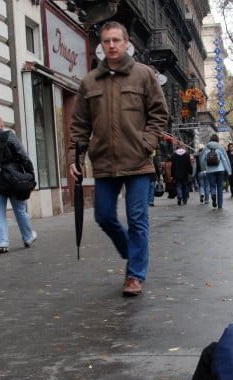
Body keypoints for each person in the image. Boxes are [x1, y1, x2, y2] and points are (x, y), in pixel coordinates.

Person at [67, 21, 169, 298]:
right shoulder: (89, 82)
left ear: (127, 44)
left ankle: (135, 275)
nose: (111, 45)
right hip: (104, 163)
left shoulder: (144, 75)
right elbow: (79, 125)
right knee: (104, 216)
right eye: (106, 41)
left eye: (116, 40)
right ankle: (132, 251)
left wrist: (146, 143)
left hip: (137, 162)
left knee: (137, 218)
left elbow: (159, 114)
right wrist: (73, 158)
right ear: (101, 46)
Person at [0, 113, 37, 254]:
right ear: (0, 124)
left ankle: (2, 243)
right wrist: (30, 174)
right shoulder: (9, 135)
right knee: (19, 210)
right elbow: (22, 155)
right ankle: (28, 237)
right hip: (13, 179)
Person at [199, 135, 231, 209]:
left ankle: (213, 195)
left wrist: (203, 169)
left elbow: (202, 160)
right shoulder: (220, 148)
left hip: (210, 171)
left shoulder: (206, 149)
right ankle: (220, 206)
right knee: (220, 187)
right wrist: (228, 170)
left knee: (212, 186)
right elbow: (224, 160)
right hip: (220, 170)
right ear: (217, 140)